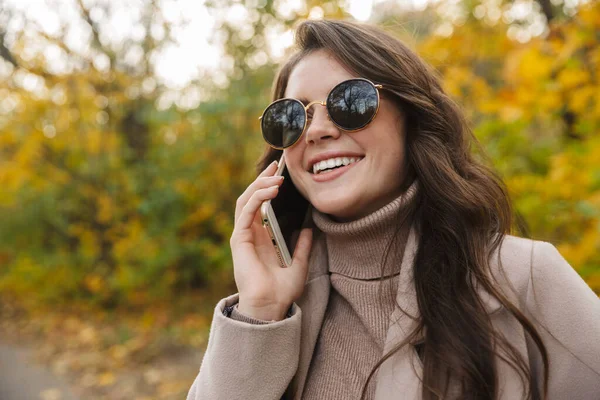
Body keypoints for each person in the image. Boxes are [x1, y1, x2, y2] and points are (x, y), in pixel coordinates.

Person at [187, 19, 600, 400]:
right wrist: (259, 315)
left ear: (412, 116)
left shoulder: (526, 278)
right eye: (292, 117)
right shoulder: (272, 307)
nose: (316, 130)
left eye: (350, 102)